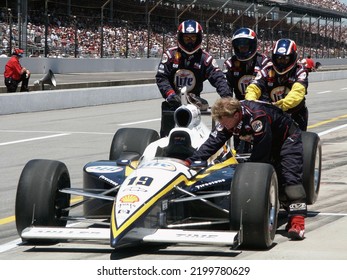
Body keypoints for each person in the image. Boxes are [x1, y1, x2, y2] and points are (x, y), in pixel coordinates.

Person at [186, 97, 307, 240]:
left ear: (236, 115)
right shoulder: (228, 119)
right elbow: (213, 142)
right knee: (271, 179)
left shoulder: (257, 117)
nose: (222, 124)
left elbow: (261, 153)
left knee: (289, 177)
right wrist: (190, 161)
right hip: (266, 139)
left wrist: (250, 176)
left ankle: (298, 223)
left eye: (224, 120)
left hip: (287, 139)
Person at [156, 19, 232, 137]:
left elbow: (218, 78)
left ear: (199, 38)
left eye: (193, 38)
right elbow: (162, 77)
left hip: (195, 102)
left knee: (194, 134)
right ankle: (165, 139)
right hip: (172, 101)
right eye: (187, 38)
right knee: (166, 130)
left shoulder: (205, 59)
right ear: (180, 37)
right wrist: (170, 94)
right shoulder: (170, 55)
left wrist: (227, 98)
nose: (190, 41)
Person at [245, 39, 309, 131]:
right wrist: (250, 101)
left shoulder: (300, 70)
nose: (281, 62)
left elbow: (298, 91)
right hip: (270, 112)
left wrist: (282, 104)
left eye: (285, 58)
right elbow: (254, 86)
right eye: (278, 58)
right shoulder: (267, 70)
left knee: (298, 141)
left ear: (293, 57)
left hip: (294, 113)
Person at [223, 27, 270, 153]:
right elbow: (225, 85)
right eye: (239, 46)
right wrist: (228, 103)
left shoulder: (264, 62)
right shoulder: (230, 64)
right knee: (239, 144)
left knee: (263, 144)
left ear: (252, 45)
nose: (242, 48)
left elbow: (268, 85)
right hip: (240, 106)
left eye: (245, 45)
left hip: (261, 107)